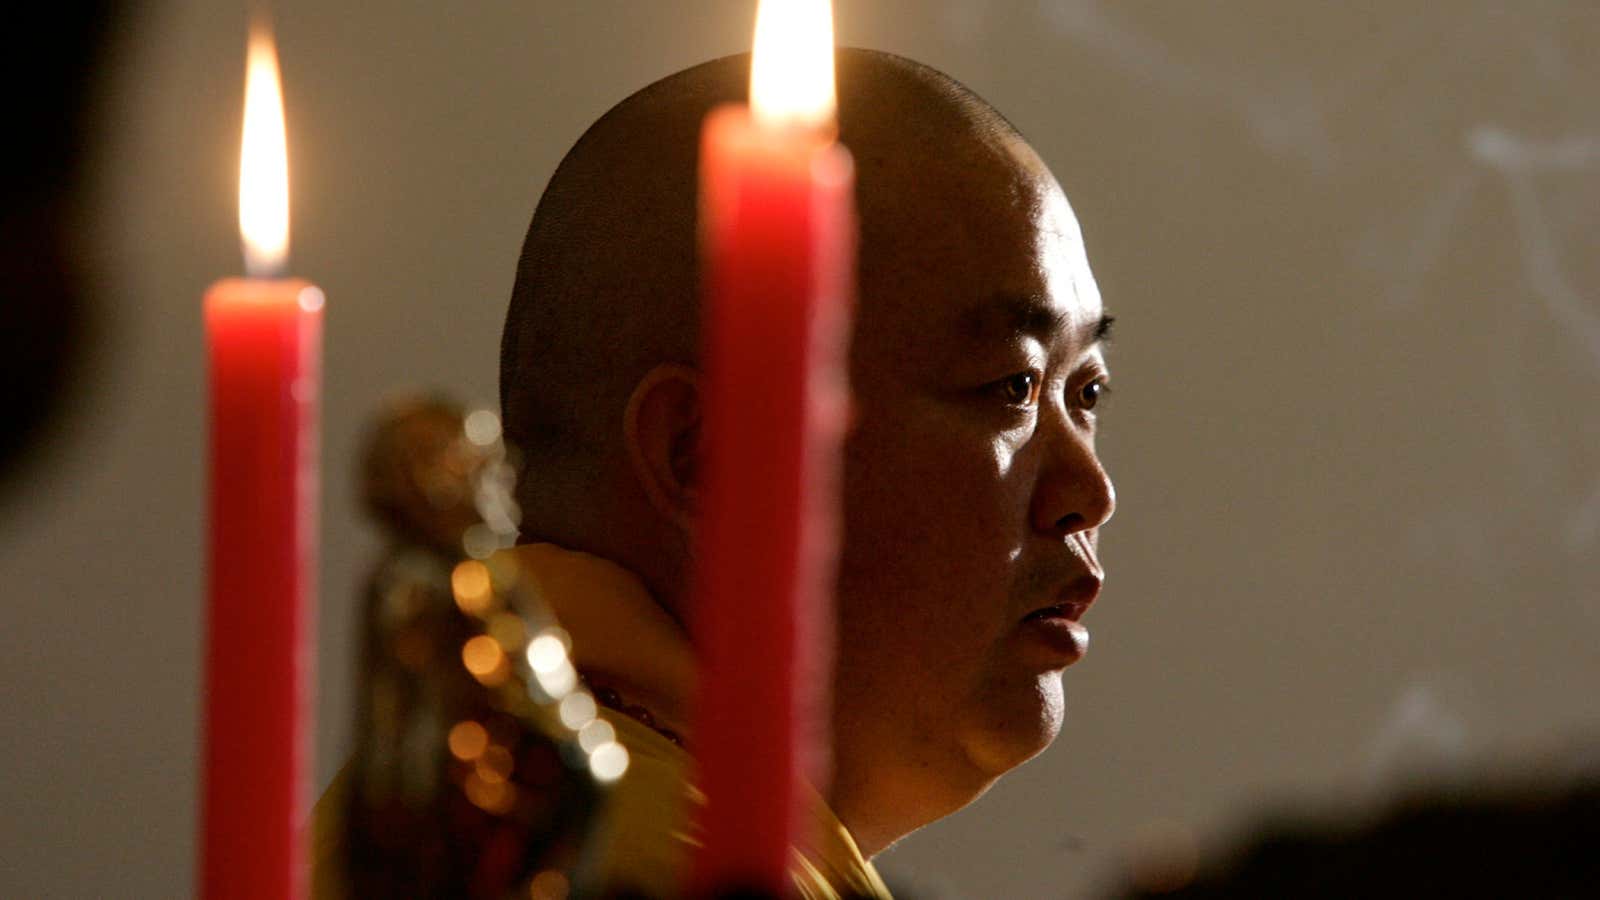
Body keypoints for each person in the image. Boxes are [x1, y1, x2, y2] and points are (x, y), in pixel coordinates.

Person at [316, 47, 1115, 899]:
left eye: (1088, 391)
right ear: (704, 455)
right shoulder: (583, 856)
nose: (1089, 494)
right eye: (1013, 386)